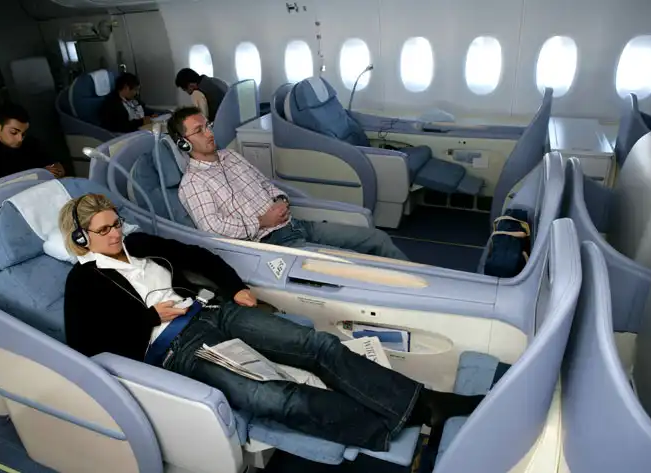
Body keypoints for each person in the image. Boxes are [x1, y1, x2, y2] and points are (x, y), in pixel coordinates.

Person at [59, 193, 483, 451]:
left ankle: (427, 404)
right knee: (274, 397)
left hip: (212, 312)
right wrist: (149, 317)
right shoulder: (83, 282)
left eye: (116, 223)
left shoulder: (138, 244)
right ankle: (386, 429)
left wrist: (235, 287)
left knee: (319, 345)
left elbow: (198, 256)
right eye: (104, 230)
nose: (115, 234)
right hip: (177, 347)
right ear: (82, 239)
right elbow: (88, 348)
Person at [169, 106, 409, 261]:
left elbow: (265, 184)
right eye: (199, 130)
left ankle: (425, 286)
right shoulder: (193, 183)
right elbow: (212, 228)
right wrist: (262, 221)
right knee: (353, 263)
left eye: (208, 125)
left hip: (296, 225)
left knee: (377, 239)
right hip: (270, 243)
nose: (209, 133)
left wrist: (280, 199)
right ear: (183, 143)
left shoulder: (231, 156)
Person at [0, 103, 65, 186]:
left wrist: (56, 171)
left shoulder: (32, 143)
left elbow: (56, 166)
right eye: (13, 132)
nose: (20, 139)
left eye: (23, 133)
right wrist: (38, 174)